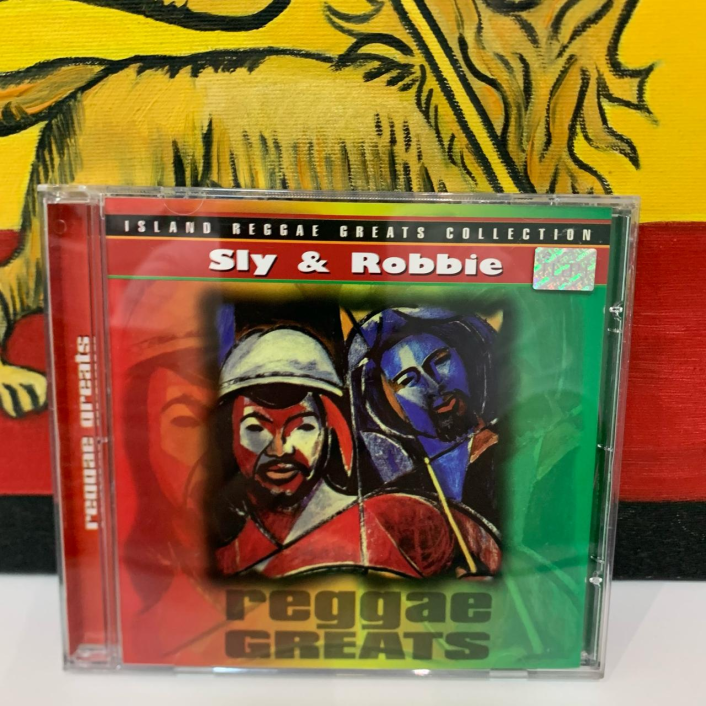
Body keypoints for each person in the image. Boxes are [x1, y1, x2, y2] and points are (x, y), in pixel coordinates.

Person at [211, 326, 500, 578]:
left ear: (332, 428)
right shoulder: (222, 564)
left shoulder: (404, 519)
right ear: (229, 434)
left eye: (303, 427)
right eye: (255, 428)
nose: (281, 448)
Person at [348, 307, 500, 530]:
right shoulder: (403, 497)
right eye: (408, 380)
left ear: (466, 359)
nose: (433, 385)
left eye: (440, 361)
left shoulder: (518, 448)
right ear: (385, 403)